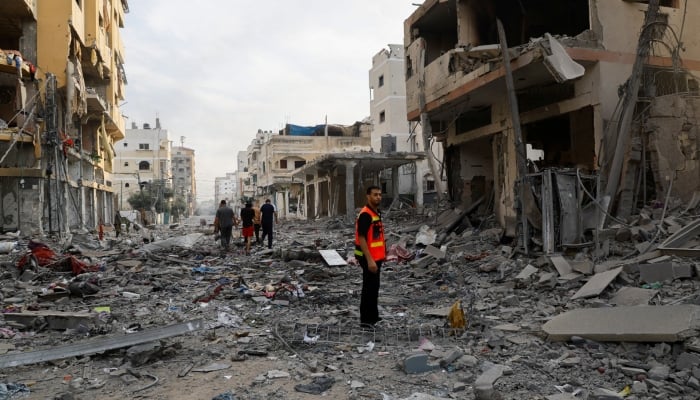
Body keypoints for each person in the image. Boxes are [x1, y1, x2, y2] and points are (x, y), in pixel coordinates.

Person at [354, 185, 386, 327]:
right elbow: (361, 238)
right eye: (375, 194)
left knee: (374, 288)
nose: (378, 197)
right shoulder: (366, 214)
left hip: (376, 257)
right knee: (369, 289)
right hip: (369, 258)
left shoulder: (375, 213)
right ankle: (366, 321)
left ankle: (372, 316)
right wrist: (370, 260)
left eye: (379, 194)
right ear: (368, 196)